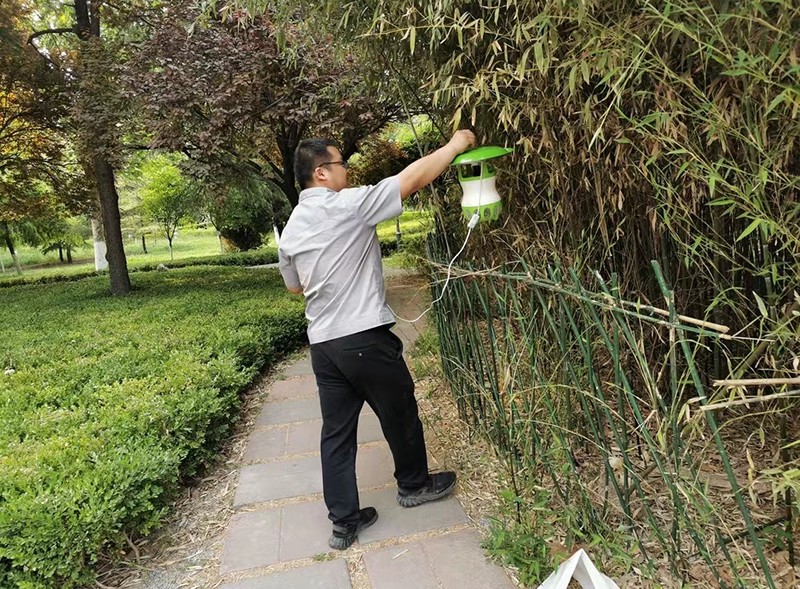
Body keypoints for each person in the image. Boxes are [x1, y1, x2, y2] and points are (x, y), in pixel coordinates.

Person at [277, 129, 476, 550]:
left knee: (336, 433)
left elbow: (294, 287)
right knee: (399, 410)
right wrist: (456, 145)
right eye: (341, 163)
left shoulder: (291, 228)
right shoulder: (347, 205)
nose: (346, 170)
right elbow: (411, 179)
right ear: (322, 172)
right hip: (363, 336)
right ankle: (414, 485)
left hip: (324, 345)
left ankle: (344, 522)